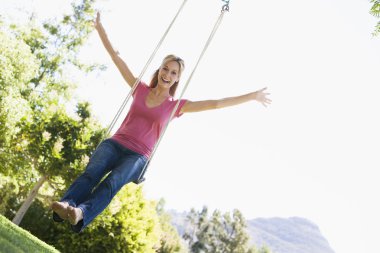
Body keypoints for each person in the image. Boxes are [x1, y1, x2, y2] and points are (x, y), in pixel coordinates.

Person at [51, 12, 271, 233]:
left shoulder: (176, 105)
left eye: (173, 72)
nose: (168, 74)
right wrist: (100, 29)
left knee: (112, 182)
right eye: (166, 68)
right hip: (115, 143)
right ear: (160, 70)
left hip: (137, 156)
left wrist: (251, 96)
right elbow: (117, 58)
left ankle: (81, 213)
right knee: (92, 173)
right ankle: (67, 205)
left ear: (177, 79)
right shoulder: (140, 88)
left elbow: (215, 103)